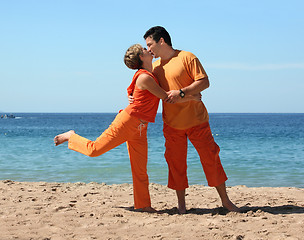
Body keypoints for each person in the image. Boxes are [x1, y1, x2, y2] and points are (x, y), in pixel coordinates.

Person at [54, 44, 200, 213]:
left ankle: (143, 204)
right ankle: (71, 136)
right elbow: (165, 97)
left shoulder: (149, 74)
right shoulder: (145, 77)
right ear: (141, 57)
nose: (148, 50)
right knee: (94, 150)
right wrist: (191, 96)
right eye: (145, 50)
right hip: (128, 121)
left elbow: (134, 91)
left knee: (140, 169)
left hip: (141, 127)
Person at [142, 26, 240, 213]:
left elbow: (204, 82)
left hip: (197, 120)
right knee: (175, 164)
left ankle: (226, 201)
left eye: (150, 44)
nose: (148, 50)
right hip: (171, 124)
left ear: (161, 41)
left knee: (211, 159)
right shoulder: (154, 67)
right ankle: (181, 206)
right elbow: (145, 89)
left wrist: (182, 92)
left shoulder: (187, 57)